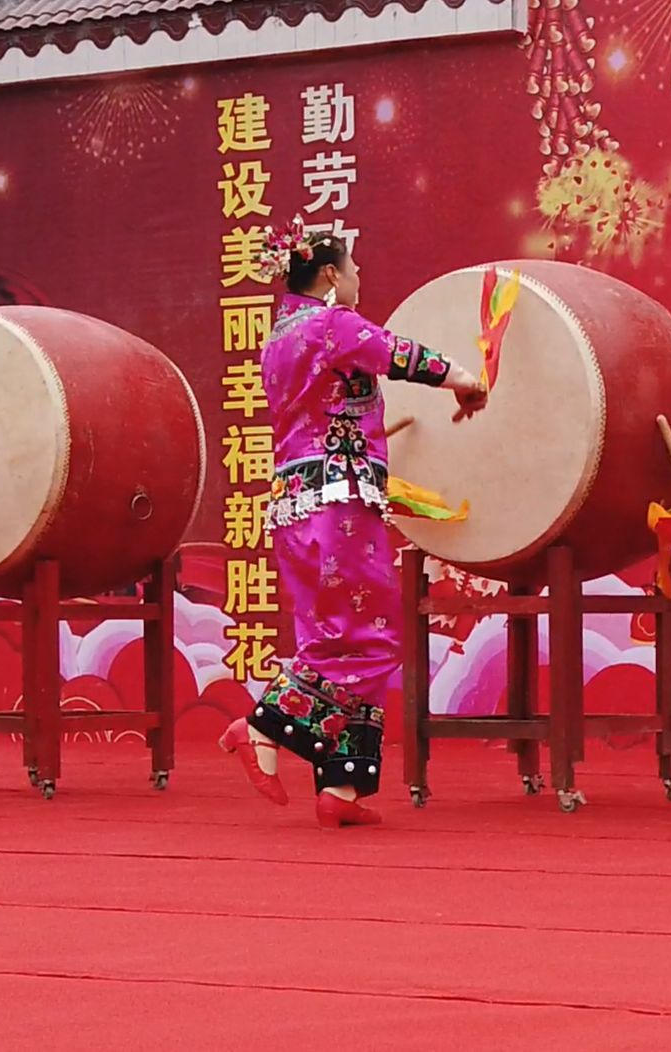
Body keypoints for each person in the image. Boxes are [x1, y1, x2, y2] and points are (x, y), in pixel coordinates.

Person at [218, 219, 489, 829]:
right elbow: (396, 354)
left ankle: (341, 790)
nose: (361, 278)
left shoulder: (279, 336)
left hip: (295, 503)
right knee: (371, 638)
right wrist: (464, 379)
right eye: (355, 268)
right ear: (332, 276)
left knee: (330, 640)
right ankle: (260, 725)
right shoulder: (331, 325)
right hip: (338, 503)